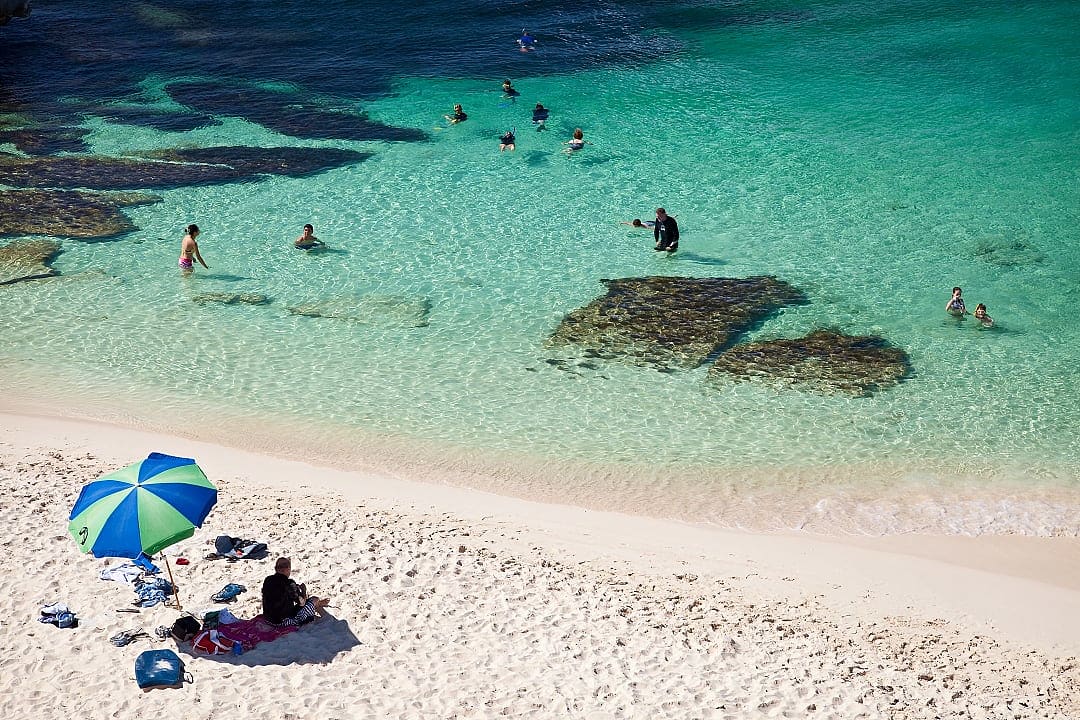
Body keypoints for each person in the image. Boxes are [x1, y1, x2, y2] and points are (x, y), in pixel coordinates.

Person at [261, 557, 330, 627]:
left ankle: (318, 605)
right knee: (315, 599)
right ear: (289, 569)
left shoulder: (268, 580)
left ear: (276, 569)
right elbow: (302, 602)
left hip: (268, 620)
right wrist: (303, 590)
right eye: (286, 566)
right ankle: (318, 604)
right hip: (283, 622)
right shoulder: (289, 583)